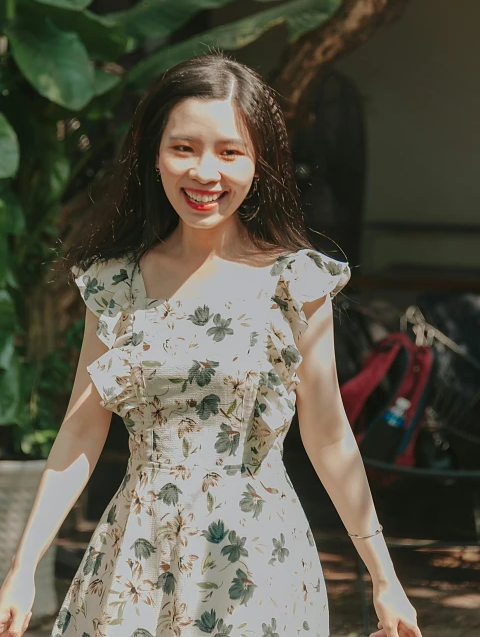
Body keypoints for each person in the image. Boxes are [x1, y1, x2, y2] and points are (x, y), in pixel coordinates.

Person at [0, 54, 421, 637]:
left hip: (257, 556)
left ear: (259, 163)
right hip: (136, 554)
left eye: (229, 152)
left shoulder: (296, 283)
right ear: (154, 155)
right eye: (183, 148)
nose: (205, 173)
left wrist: (384, 578)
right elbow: (80, 431)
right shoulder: (114, 283)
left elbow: (327, 435)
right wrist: (21, 569)